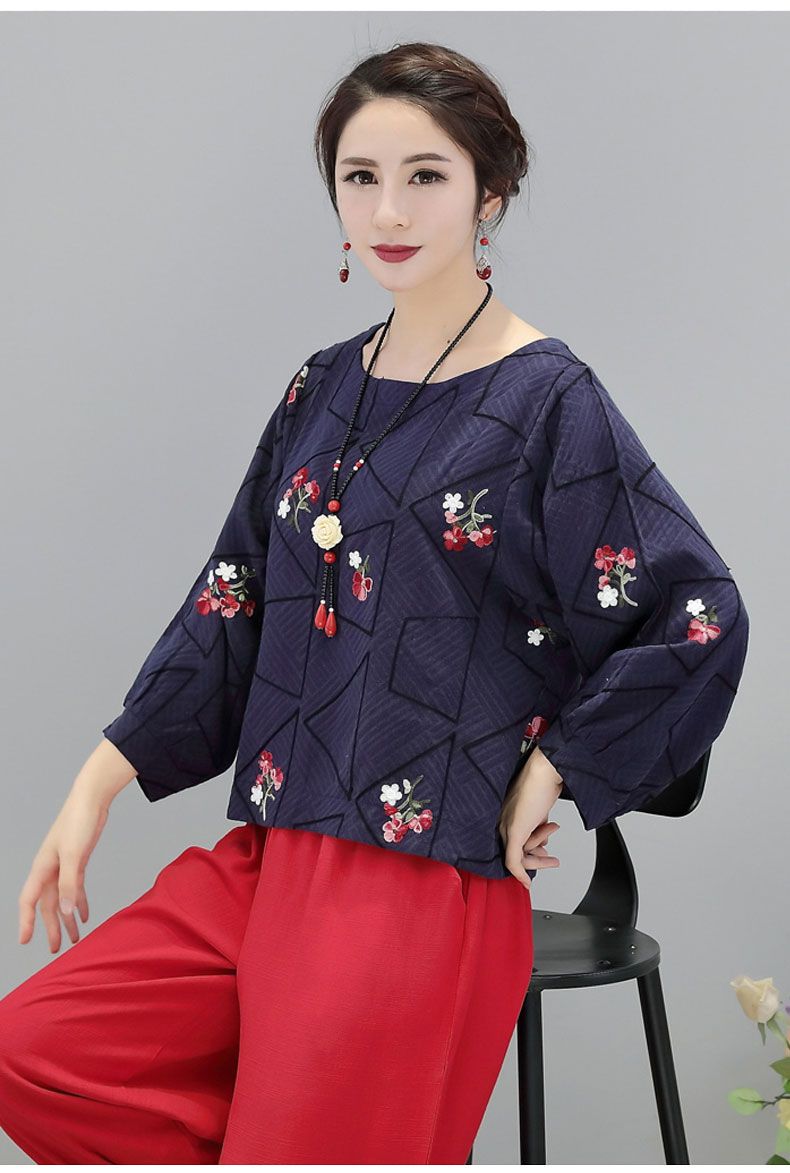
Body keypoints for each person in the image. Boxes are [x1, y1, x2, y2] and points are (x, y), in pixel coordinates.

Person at [0, 40, 749, 1165]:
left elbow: (696, 613)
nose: (388, 210)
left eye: (426, 175)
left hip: (421, 883)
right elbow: (235, 595)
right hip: (273, 854)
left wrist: (557, 767)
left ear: (490, 193)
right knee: (35, 1050)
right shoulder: (321, 385)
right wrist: (94, 783)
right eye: (360, 177)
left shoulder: (548, 400)